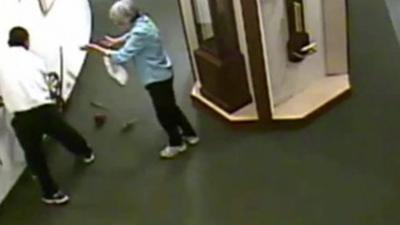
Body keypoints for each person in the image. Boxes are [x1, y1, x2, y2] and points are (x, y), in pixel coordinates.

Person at [84, 0, 199, 159]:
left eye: (118, 21)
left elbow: (120, 57)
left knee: (163, 113)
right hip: (163, 71)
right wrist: (116, 41)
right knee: (171, 107)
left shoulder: (140, 33)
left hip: (156, 79)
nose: (117, 24)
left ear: (125, 18)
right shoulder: (144, 20)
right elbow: (134, 33)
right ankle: (190, 134)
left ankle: (176, 144)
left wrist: (97, 50)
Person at [0, 27, 95, 205]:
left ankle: (50, 193)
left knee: (34, 153)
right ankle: (85, 152)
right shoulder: (34, 59)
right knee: (65, 133)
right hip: (42, 108)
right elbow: (43, 81)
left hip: (21, 115)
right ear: (26, 41)